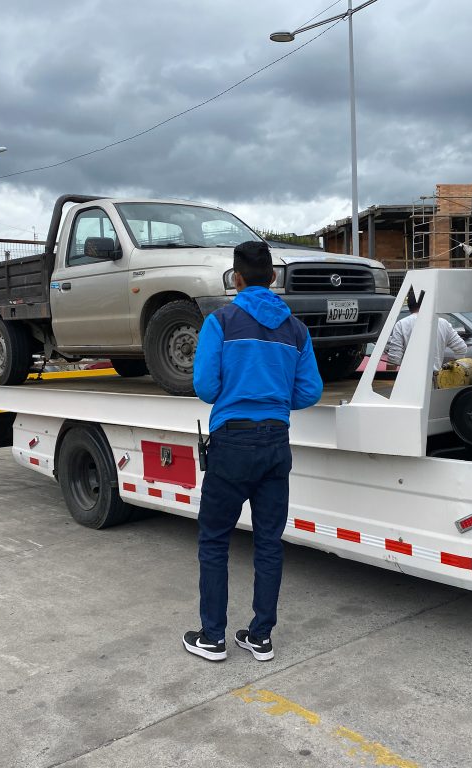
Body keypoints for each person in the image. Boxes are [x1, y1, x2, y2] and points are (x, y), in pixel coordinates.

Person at [184, 240, 323, 663]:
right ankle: (260, 637)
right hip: (276, 443)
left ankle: (213, 637)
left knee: (214, 541)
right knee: (268, 543)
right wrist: (274, 398)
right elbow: (310, 391)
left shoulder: (220, 322)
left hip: (231, 444)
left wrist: (240, 392)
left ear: (236, 278)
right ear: (273, 277)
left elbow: (206, 387)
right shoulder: (296, 330)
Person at [383, 290, 467, 371]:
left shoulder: (401, 324)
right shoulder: (443, 323)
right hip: (435, 378)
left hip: (409, 378)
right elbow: (461, 348)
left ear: (409, 305)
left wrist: (388, 378)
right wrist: (451, 371)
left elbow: (394, 359)